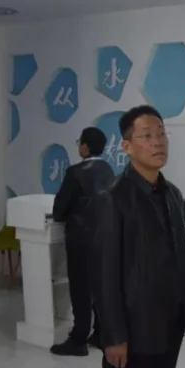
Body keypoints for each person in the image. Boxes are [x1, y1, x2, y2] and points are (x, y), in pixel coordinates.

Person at [91, 105, 185, 368]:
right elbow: (104, 274)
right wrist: (114, 336)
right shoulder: (112, 198)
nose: (158, 142)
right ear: (126, 146)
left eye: (161, 133)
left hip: (168, 324)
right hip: (132, 329)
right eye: (147, 136)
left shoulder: (172, 195)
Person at [50, 127, 115, 356]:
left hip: (80, 239)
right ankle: (101, 334)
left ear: (85, 147)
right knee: (100, 288)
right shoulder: (110, 172)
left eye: (80, 142)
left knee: (80, 289)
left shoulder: (75, 172)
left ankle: (78, 339)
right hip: (106, 239)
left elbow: (59, 210)